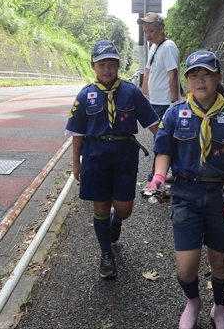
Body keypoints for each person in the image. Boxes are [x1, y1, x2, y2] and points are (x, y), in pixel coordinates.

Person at [146, 51, 224, 329]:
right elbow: (163, 150)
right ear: (186, 81)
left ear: (219, 78)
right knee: (186, 267)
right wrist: (159, 177)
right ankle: (193, 301)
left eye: (206, 73)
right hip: (186, 194)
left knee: (220, 263)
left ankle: (219, 308)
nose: (200, 79)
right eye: (193, 74)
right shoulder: (176, 113)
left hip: (221, 196)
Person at [65, 40, 159, 279]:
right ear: (93, 66)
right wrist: (76, 162)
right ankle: (106, 254)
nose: (107, 69)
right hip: (95, 155)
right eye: (102, 64)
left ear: (118, 65)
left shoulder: (131, 91)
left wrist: (170, 148)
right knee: (100, 206)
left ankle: (116, 222)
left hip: (125, 154)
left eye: (111, 64)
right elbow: (77, 133)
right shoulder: (86, 95)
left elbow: (152, 122)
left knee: (124, 208)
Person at [137, 12, 181, 186]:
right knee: (162, 139)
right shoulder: (154, 48)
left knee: (163, 139)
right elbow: (147, 73)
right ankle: (165, 175)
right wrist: (142, 97)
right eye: (145, 32)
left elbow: (173, 74)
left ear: (161, 28)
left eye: (151, 31)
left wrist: (173, 103)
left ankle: (155, 178)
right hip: (154, 103)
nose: (148, 35)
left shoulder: (168, 46)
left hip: (165, 103)